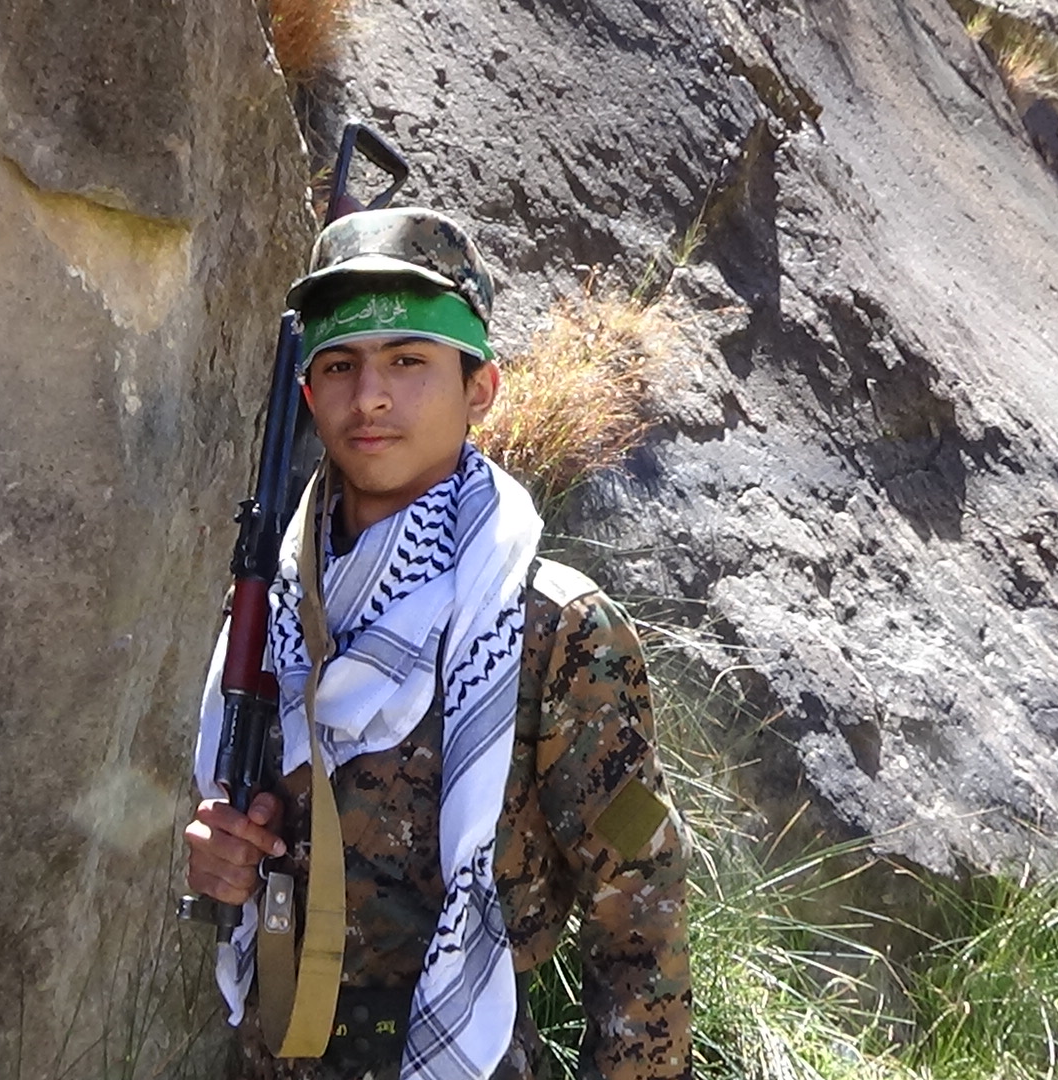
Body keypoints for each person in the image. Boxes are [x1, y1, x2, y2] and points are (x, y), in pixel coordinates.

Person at [184, 207, 691, 1080]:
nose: (369, 396)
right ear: (308, 394)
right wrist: (222, 852)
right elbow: (242, 820)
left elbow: (639, 905)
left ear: (480, 389)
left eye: (409, 360)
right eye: (339, 364)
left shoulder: (556, 626)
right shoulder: (274, 603)